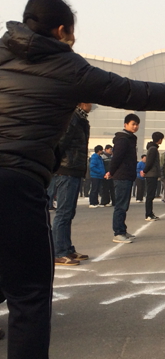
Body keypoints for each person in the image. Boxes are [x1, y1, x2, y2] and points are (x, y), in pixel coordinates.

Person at [0, 0, 165, 359]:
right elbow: (128, 90)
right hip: (16, 182)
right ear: (62, 31)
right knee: (29, 296)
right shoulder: (67, 66)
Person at [52, 103, 91, 266]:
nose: (92, 105)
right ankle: (58, 252)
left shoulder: (81, 119)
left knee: (69, 212)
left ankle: (67, 249)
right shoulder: (72, 118)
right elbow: (61, 143)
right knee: (63, 213)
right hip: (67, 170)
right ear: (82, 102)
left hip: (74, 170)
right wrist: (57, 166)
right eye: (90, 101)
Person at [106, 114, 142, 244]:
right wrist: (111, 171)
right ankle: (118, 233)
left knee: (124, 205)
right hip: (122, 176)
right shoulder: (123, 139)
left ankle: (122, 230)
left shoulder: (130, 138)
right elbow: (117, 158)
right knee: (120, 206)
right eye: (133, 124)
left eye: (137, 124)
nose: (135, 126)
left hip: (127, 175)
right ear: (125, 124)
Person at [142, 132, 164, 220]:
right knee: (150, 195)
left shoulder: (152, 148)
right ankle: (148, 214)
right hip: (151, 174)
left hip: (152, 174)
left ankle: (150, 213)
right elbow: (149, 162)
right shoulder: (153, 149)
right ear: (159, 139)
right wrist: (144, 171)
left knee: (151, 195)